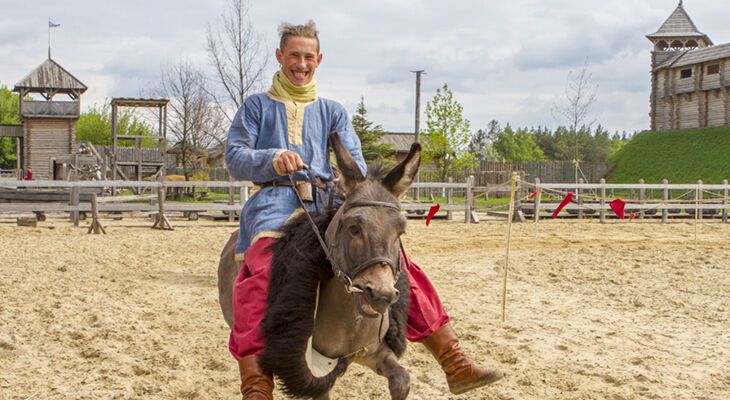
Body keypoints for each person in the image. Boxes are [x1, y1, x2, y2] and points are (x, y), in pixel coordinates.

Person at [225, 20, 503, 399]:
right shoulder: (256, 106)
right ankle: (257, 381)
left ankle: (452, 359)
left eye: (308, 57)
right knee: (261, 269)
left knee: (394, 259)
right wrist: (272, 159)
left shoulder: (333, 111)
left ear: (318, 59)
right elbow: (235, 157)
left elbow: (353, 158)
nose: (301, 64)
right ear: (280, 56)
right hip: (275, 203)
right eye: (294, 55)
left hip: (329, 200)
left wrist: (353, 183)